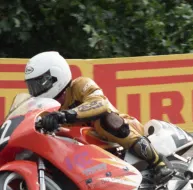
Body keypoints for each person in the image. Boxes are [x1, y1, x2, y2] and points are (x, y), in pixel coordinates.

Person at [24, 51, 173, 183]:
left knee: (105, 121)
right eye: (32, 87)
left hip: (122, 132)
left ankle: (159, 163)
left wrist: (65, 115)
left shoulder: (80, 85)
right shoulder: (47, 109)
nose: (36, 91)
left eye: (39, 84)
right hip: (91, 154)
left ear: (55, 76)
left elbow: (100, 103)